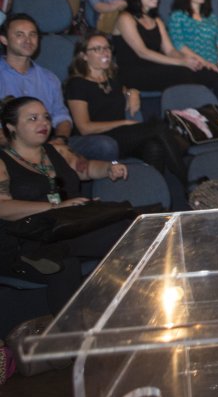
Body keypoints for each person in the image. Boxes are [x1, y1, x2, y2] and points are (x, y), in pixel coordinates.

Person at [0, 96, 132, 311]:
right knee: (65, 265)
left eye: (45, 117)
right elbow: (2, 207)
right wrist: (56, 207)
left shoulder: (55, 151)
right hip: (22, 242)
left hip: (62, 231)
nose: (43, 123)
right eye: (33, 118)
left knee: (125, 230)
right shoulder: (2, 161)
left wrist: (109, 167)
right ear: (11, 126)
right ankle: (67, 335)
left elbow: (86, 168)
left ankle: (117, 308)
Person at [63, 34, 188, 180]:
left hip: (121, 136)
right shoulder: (77, 84)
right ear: (84, 56)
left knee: (154, 147)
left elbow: (125, 91)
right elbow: (84, 128)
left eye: (107, 48)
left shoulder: (113, 79)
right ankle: (187, 181)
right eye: (97, 49)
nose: (105, 52)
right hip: (96, 139)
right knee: (158, 127)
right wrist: (124, 122)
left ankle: (153, 196)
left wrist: (131, 92)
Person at [0, 14, 118, 162]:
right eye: (20, 35)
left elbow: (61, 117)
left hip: (49, 141)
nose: (28, 40)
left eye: (33, 34)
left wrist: (60, 139)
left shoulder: (49, 78)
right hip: (10, 143)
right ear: (4, 39)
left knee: (104, 145)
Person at [113, 0, 218, 110]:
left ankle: (208, 116)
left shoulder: (156, 20)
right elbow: (142, 52)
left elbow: (170, 50)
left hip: (155, 67)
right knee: (183, 72)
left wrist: (187, 59)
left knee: (198, 71)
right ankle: (192, 117)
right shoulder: (125, 18)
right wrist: (181, 62)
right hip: (134, 72)